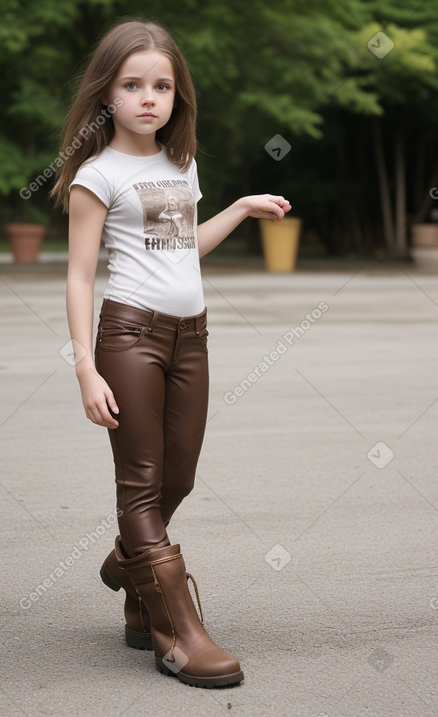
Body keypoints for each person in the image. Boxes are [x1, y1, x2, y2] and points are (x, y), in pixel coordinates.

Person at [51, 19, 291, 689]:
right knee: (141, 481)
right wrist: (83, 366)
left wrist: (239, 207)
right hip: (129, 337)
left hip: (192, 337)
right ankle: (174, 628)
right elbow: (77, 274)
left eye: (161, 86)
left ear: (176, 96)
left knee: (176, 478)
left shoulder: (177, 165)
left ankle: (131, 571)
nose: (148, 98)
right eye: (132, 85)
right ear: (107, 96)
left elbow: (179, 249)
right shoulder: (97, 175)